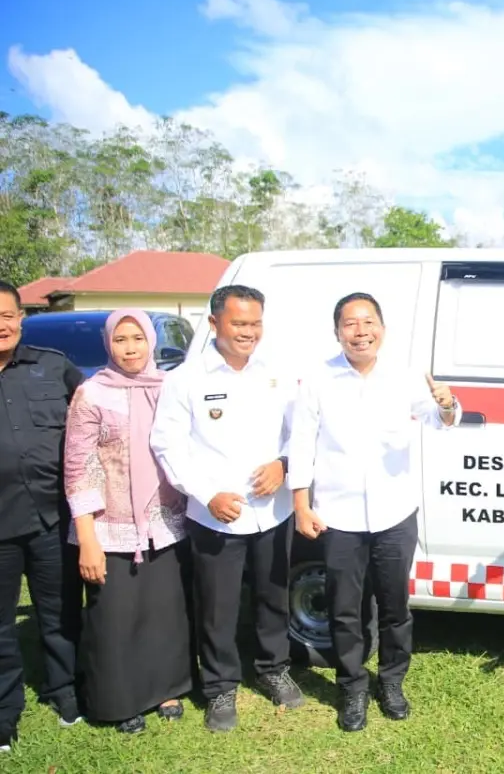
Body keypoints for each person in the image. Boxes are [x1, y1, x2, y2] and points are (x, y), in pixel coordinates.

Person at [289, 292, 462, 732]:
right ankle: (352, 687)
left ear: (382, 329)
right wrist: (301, 504)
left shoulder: (404, 377)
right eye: (350, 323)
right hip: (339, 516)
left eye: (368, 322)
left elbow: (440, 419)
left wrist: (446, 403)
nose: (360, 331)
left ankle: (391, 683)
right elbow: (302, 442)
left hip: (394, 512)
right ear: (337, 332)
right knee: (344, 609)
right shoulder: (318, 379)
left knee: (394, 606)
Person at [150, 284, 302, 733]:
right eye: (239, 323)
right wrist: (205, 493)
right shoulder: (185, 379)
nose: (249, 332)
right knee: (218, 607)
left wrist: (284, 464)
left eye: (255, 323)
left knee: (273, 596)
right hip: (216, 514)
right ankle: (219, 686)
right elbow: (168, 445)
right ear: (215, 323)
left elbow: (300, 431)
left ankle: (273, 668)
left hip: (272, 509)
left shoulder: (278, 374)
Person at [63, 309, 192, 734]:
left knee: (163, 610)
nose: (131, 348)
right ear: (108, 345)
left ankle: (166, 688)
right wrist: (87, 538)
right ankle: (119, 700)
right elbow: (78, 468)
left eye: (138, 338)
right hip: (109, 526)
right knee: (114, 617)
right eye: (121, 340)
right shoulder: (92, 393)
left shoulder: (169, 387)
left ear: (151, 342)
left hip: (165, 521)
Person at [0, 280, 84, 753]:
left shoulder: (54, 367)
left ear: (20, 318)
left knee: (60, 613)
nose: (1, 325)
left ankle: (65, 689)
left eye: (7, 315)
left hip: (54, 516)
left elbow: (96, 418)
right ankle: (4, 710)